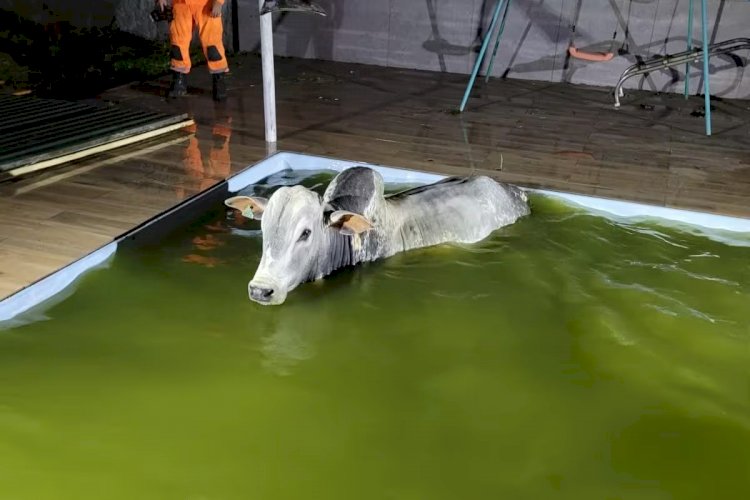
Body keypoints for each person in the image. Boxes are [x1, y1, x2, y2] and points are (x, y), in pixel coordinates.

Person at [155, 0, 229, 101]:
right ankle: (179, 80)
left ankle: (219, 79)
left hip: (206, 5)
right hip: (180, 5)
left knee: (212, 44)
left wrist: (218, 2)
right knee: (178, 44)